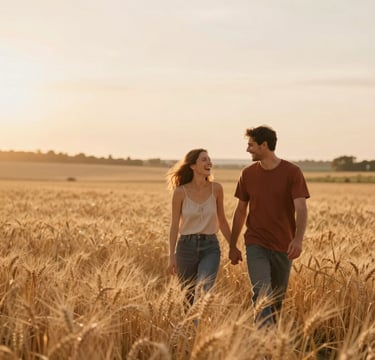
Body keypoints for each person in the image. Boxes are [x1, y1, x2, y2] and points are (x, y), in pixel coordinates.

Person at [229, 125, 309, 326]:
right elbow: (240, 211)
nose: (248, 149)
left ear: (264, 145)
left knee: (276, 300)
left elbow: (301, 208)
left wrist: (298, 240)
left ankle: (272, 347)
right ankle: (264, 347)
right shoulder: (247, 174)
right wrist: (232, 245)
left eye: (251, 145)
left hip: (283, 245)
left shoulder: (292, 172)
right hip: (256, 242)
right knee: (261, 292)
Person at [166, 148, 231, 306]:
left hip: (210, 247)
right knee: (187, 299)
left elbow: (222, 220)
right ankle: (192, 331)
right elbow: (175, 225)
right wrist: (171, 255)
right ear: (193, 166)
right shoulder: (180, 192)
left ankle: (199, 327)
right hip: (185, 248)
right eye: (204, 159)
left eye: (209, 159)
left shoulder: (216, 189)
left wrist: (233, 246)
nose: (209, 162)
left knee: (204, 291)